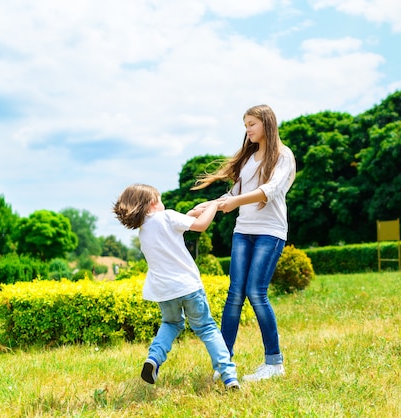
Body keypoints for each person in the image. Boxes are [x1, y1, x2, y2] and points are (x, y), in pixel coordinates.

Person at [191, 104, 296, 382]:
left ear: (266, 124)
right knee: (234, 294)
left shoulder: (283, 156)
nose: (247, 130)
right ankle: (224, 363)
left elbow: (269, 192)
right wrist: (212, 204)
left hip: (270, 231)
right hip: (243, 231)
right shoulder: (249, 157)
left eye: (251, 124)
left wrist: (234, 201)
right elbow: (236, 192)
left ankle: (274, 363)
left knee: (255, 292)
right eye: (245, 125)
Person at [112, 184, 240, 390]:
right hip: (188, 287)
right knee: (207, 328)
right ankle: (228, 375)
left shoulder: (144, 231)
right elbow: (200, 225)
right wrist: (214, 206)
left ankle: (153, 359)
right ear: (153, 203)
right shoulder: (168, 216)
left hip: (165, 292)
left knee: (171, 324)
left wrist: (194, 212)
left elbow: (180, 223)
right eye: (160, 200)